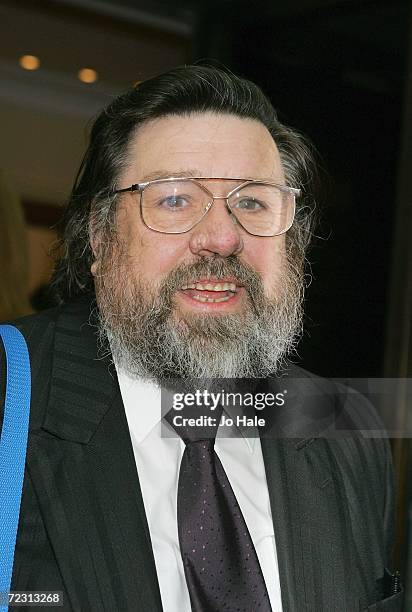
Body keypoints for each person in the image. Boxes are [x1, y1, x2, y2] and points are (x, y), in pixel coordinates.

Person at [0, 65, 403, 611]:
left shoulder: (344, 424)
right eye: (174, 200)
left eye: (254, 202)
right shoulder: (13, 396)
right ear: (98, 235)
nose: (221, 237)